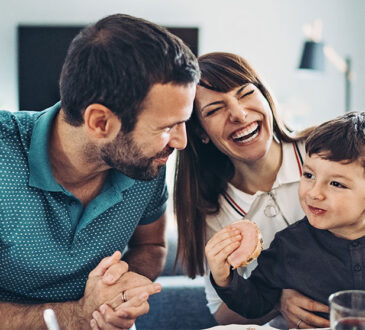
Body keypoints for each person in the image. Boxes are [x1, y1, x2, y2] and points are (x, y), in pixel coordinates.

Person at [0, 13, 200, 329]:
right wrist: (78, 313)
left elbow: (152, 246)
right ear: (100, 122)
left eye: (183, 122)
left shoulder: (146, 164)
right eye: (167, 127)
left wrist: (122, 293)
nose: (181, 142)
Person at [174, 52, 330, 329]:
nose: (238, 113)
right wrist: (277, 302)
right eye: (214, 110)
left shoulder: (324, 150)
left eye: (245, 93)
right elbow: (220, 311)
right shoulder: (210, 208)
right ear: (201, 133)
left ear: (266, 98)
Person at [206, 111, 365, 328]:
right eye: (309, 175)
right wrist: (224, 278)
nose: (314, 193)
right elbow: (255, 303)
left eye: (336, 184)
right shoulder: (289, 245)